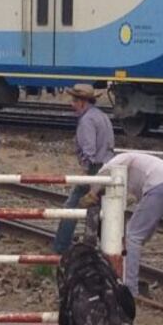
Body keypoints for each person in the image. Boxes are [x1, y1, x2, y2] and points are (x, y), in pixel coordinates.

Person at [80, 152, 163, 305]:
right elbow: (150, 221)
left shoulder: (118, 160)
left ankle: (130, 291)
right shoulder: (144, 171)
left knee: (132, 236)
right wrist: (141, 240)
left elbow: (109, 170)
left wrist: (93, 192)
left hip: (161, 187)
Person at [53, 83, 115, 253]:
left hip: (95, 169)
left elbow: (89, 151)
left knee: (72, 207)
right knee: (102, 210)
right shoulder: (102, 116)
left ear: (82, 102)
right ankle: (109, 247)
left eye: (74, 101)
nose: (71, 104)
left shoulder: (87, 120)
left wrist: (87, 174)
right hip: (108, 166)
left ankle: (61, 247)